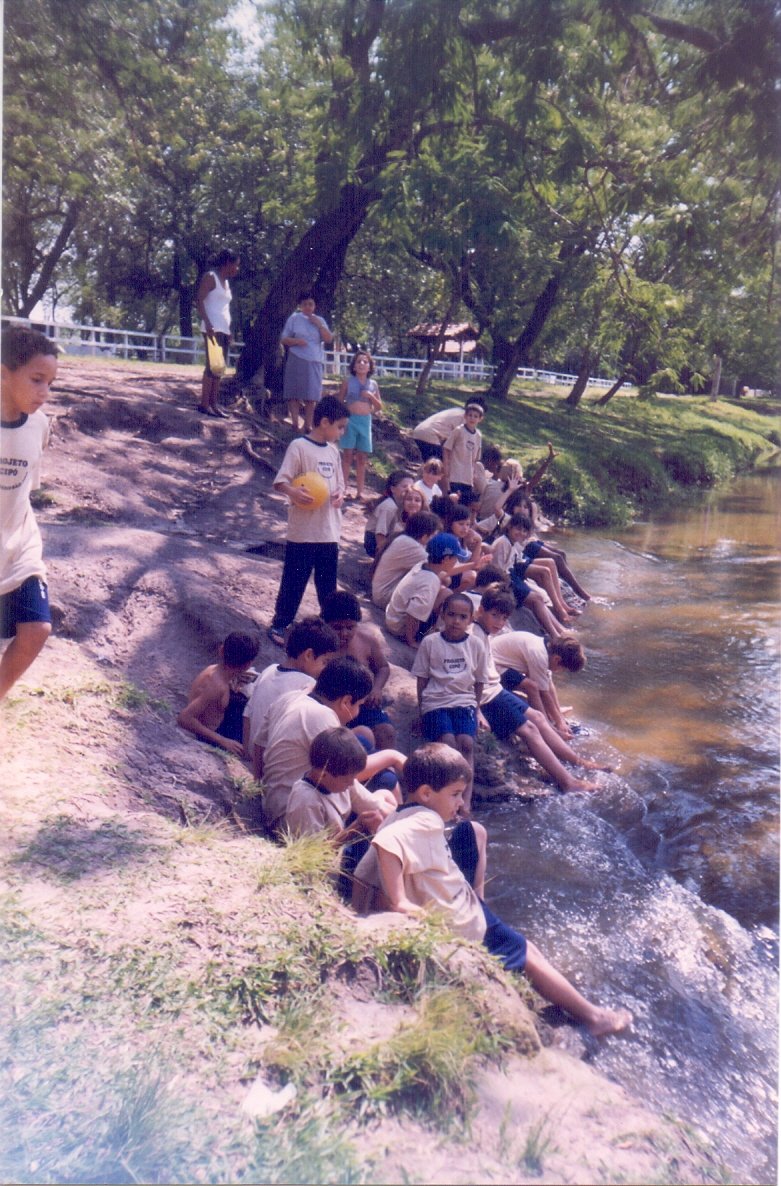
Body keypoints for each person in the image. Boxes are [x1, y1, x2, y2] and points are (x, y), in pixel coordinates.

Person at [354, 744, 632, 1037]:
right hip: (460, 921)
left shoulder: (399, 815)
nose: (460, 803)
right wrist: (399, 901)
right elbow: (388, 841)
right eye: (455, 794)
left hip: (453, 906)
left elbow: (366, 869)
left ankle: (575, 1006)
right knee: (526, 952)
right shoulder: (426, 820)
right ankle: (594, 1017)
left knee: (524, 944)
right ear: (425, 793)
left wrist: (363, 909)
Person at [472, 588, 609, 792]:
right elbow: (470, 677)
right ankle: (568, 782)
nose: (499, 623)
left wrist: (559, 721)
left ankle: (577, 761)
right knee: (530, 729)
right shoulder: (474, 637)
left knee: (537, 716)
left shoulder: (483, 633)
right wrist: (477, 710)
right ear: (481, 611)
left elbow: (548, 687)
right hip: (487, 696)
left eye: (504, 618)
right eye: (495, 616)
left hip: (495, 688)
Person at [260, 656, 402, 834]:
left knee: (385, 797)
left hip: (276, 801)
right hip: (295, 815)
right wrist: (392, 757)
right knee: (384, 794)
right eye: (358, 705)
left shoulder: (290, 698)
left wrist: (262, 789)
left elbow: (259, 746)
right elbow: (349, 780)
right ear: (345, 701)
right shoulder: (322, 716)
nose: (357, 712)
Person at [0, 326, 59, 703]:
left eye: (50, 382)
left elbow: (24, 489)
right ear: (4, 372)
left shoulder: (39, 426)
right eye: (37, 380)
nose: (44, 393)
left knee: (37, 628)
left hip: (20, 547)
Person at [267, 395, 349, 647]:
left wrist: (339, 495)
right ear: (324, 422)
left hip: (329, 531)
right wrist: (293, 492)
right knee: (294, 579)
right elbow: (281, 481)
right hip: (303, 531)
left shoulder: (334, 452)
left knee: (327, 585)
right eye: (340, 427)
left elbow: (339, 487)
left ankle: (330, 628)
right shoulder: (299, 447)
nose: (341, 432)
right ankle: (280, 624)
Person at [411, 591, 492, 811]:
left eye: (463, 617)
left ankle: (464, 802)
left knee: (466, 744)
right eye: (452, 615)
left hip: (464, 701)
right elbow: (422, 679)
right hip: (436, 701)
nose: (456, 621)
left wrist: (475, 710)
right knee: (447, 743)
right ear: (443, 615)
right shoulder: (430, 642)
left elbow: (479, 681)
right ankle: (446, 800)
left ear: (471, 619)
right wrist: (421, 713)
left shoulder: (476, 645)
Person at [243, 616, 338, 778]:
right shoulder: (307, 684)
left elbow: (247, 715)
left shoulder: (269, 670)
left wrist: (247, 753)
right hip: (276, 767)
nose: (326, 669)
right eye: (325, 662)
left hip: (255, 757)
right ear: (308, 655)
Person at [321, 590, 396, 749]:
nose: (344, 633)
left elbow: (383, 668)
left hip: (362, 703)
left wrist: (377, 688)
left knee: (386, 731)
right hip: (329, 706)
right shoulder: (319, 645)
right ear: (325, 624)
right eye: (337, 628)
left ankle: (386, 770)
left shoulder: (366, 640)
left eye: (350, 627)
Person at [491, 626, 586, 740]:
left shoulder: (547, 649)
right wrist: (558, 723)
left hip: (503, 664)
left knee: (541, 685)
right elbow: (543, 693)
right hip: (492, 666)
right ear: (557, 659)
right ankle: (546, 727)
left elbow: (549, 684)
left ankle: (552, 717)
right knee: (532, 687)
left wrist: (559, 717)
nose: (560, 672)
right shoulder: (539, 655)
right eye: (562, 669)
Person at [176, 632, 259, 757]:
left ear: (221, 650)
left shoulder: (215, 670)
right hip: (211, 733)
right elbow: (184, 718)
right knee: (254, 736)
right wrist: (223, 741)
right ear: (248, 664)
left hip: (219, 717)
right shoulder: (216, 686)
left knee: (245, 703)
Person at [384, 531, 469, 648]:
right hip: (399, 628)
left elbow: (445, 573)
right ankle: (421, 635)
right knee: (446, 597)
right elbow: (412, 614)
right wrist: (411, 641)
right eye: (455, 558)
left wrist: (474, 565)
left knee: (446, 592)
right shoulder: (430, 581)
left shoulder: (424, 564)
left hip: (392, 617)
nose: (456, 562)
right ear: (446, 559)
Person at [281, 291, 334, 433]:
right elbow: (284, 338)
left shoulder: (320, 320)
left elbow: (328, 339)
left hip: (314, 360)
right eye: (304, 304)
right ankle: (295, 423)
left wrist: (319, 325)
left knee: (312, 395)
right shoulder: (294, 319)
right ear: (300, 305)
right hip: (296, 357)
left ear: (315, 305)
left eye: (310, 304)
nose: (308, 307)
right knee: (294, 392)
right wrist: (296, 341)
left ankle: (308, 425)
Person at [196, 249, 239, 417]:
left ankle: (214, 404)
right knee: (211, 367)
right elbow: (199, 300)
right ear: (227, 263)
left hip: (223, 328)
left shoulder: (226, 283)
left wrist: (229, 331)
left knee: (219, 368)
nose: (237, 269)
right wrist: (207, 323)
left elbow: (225, 308)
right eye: (236, 265)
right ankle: (204, 404)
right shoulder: (210, 277)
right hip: (212, 328)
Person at [371, 510, 441, 609]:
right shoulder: (410, 545)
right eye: (434, 535)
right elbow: (439, 569)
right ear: (425, 536)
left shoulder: (404, 539)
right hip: (385, 596)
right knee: (436, 583)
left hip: (383, 593)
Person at [339, 351, 382, 501]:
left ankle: (360, 491)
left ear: (370, 366)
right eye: (359, 361)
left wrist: (370, 396)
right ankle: (343, 488)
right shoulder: (348, 382)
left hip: (365, 421)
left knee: (362, 457)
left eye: (365, 362)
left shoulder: (373, 384)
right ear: (354, 366)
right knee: (347, 455)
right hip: (350, 421)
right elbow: (340, 401)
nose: (362, 364)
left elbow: (379, 406)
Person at [411, 398, 485, 462]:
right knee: (444, 464)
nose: (473, 418)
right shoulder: (463, 418)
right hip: (430, 437)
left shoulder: (456, 411)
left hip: (419, 433)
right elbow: (460, 442)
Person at [363, 470, 412, 559]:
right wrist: (382, 557)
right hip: (373, 541)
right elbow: (380, 534)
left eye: (411, 487)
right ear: (393, 489)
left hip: (387, 536)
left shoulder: (401, 504)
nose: (408, 490)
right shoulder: (389, 506)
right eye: (404, 486)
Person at [442, 401, 484, 498]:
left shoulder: (478, 435)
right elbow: (446, 448)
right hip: (455, 473)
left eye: (475, 416)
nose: (472, 418)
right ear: (465, 416)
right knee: (453, 499)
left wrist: (474, 473)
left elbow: (476, 458)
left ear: (480, 419)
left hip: (467, 477)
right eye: (470, 415)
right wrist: (446, 466)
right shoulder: (459, 431)